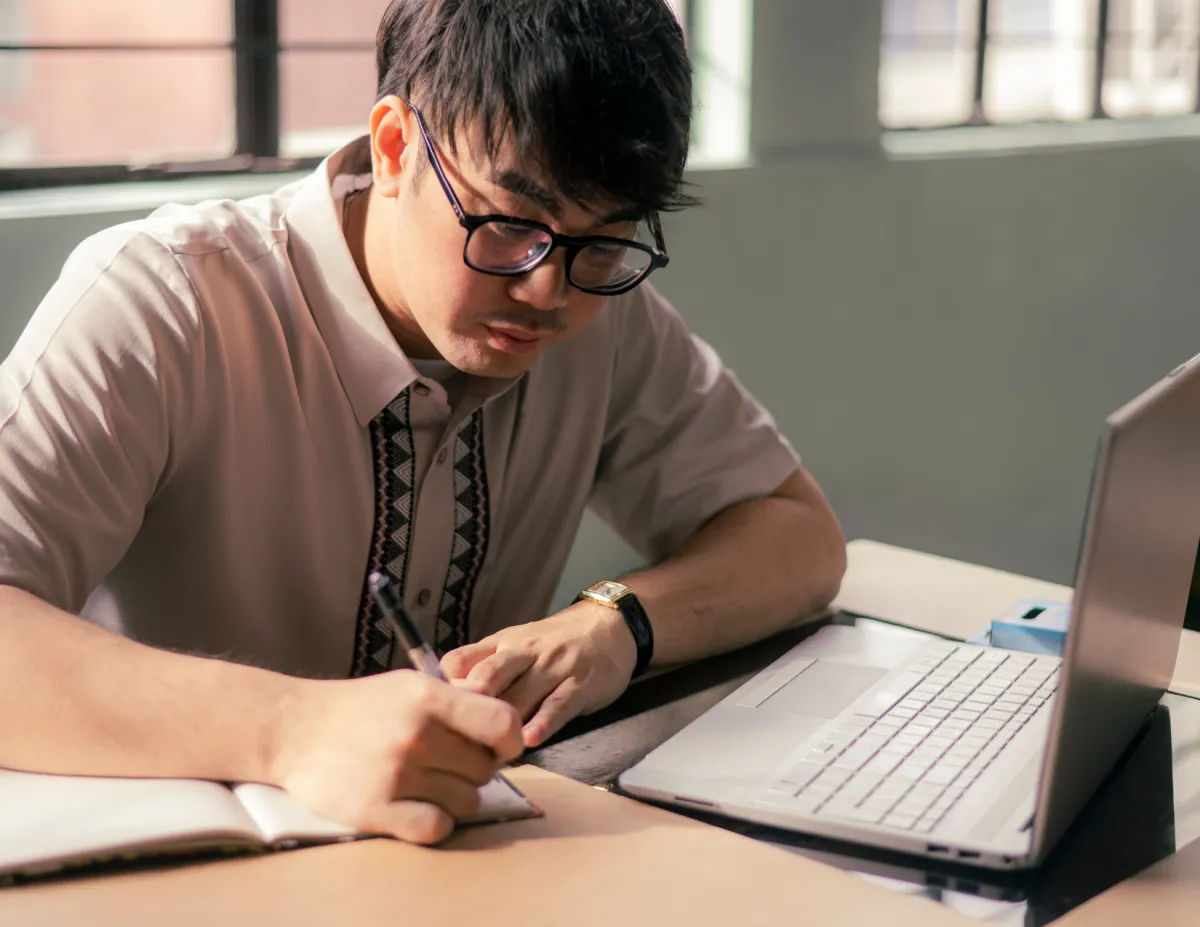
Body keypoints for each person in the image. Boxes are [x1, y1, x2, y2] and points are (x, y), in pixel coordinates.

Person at [0, 0, 845, 846]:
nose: (546, 291)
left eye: (604, 240)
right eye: (509, 224)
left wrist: (614, 622)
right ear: (395, 147)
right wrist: (291, 727)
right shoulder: (168, 300)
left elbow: (797, 534)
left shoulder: (607, 316)